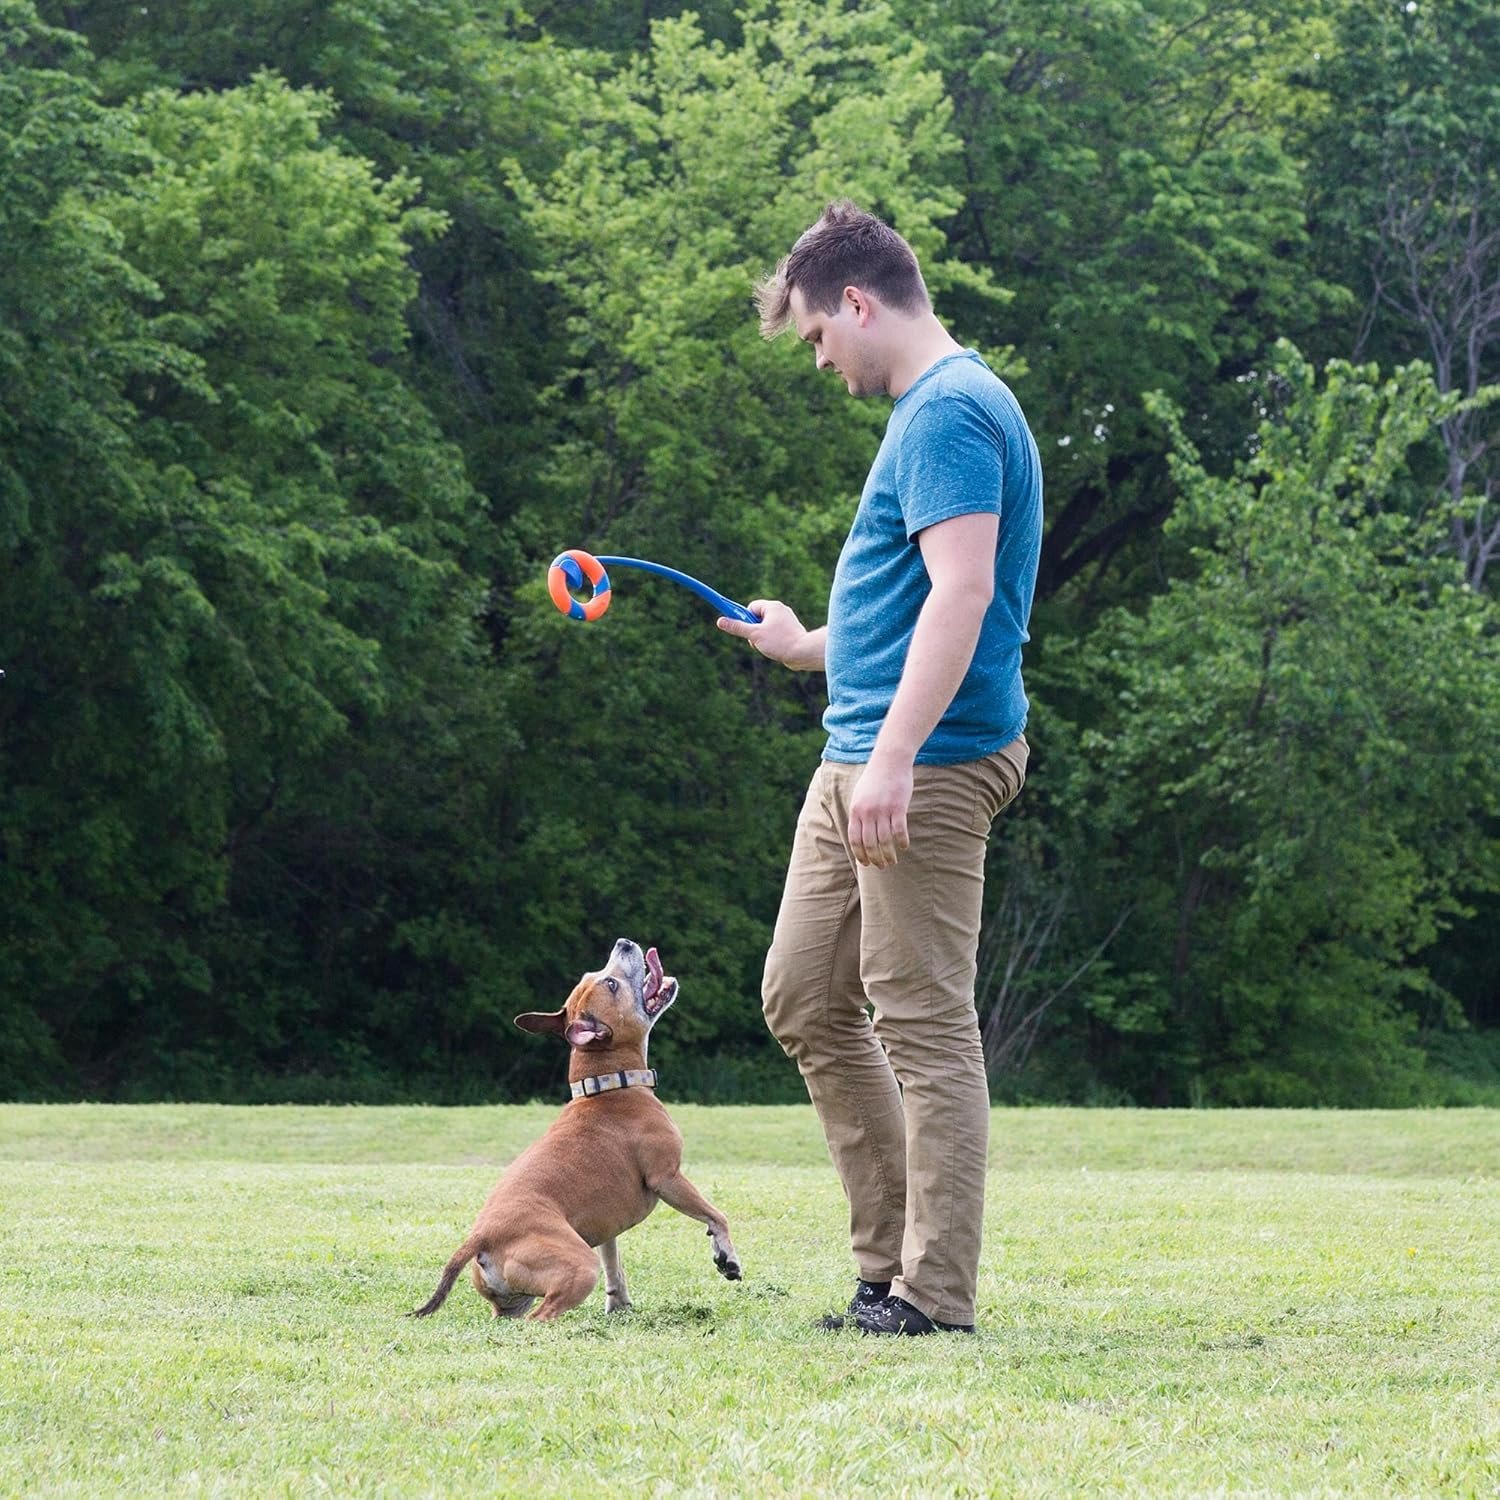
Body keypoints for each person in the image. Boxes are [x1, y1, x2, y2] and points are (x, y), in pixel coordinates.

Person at [718, 201, 1042, 1336]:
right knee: (804, 993)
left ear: (858, 301)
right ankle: (886, 1265)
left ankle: (931, 1295)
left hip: (929, 763)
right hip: (857, 754)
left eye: (815, 335)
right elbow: (912, 603)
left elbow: (965, 595)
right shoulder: (926, 417)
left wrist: (897, 755)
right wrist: (808, 644)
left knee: (923, 1018)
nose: (820, 359)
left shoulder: (950, 411)